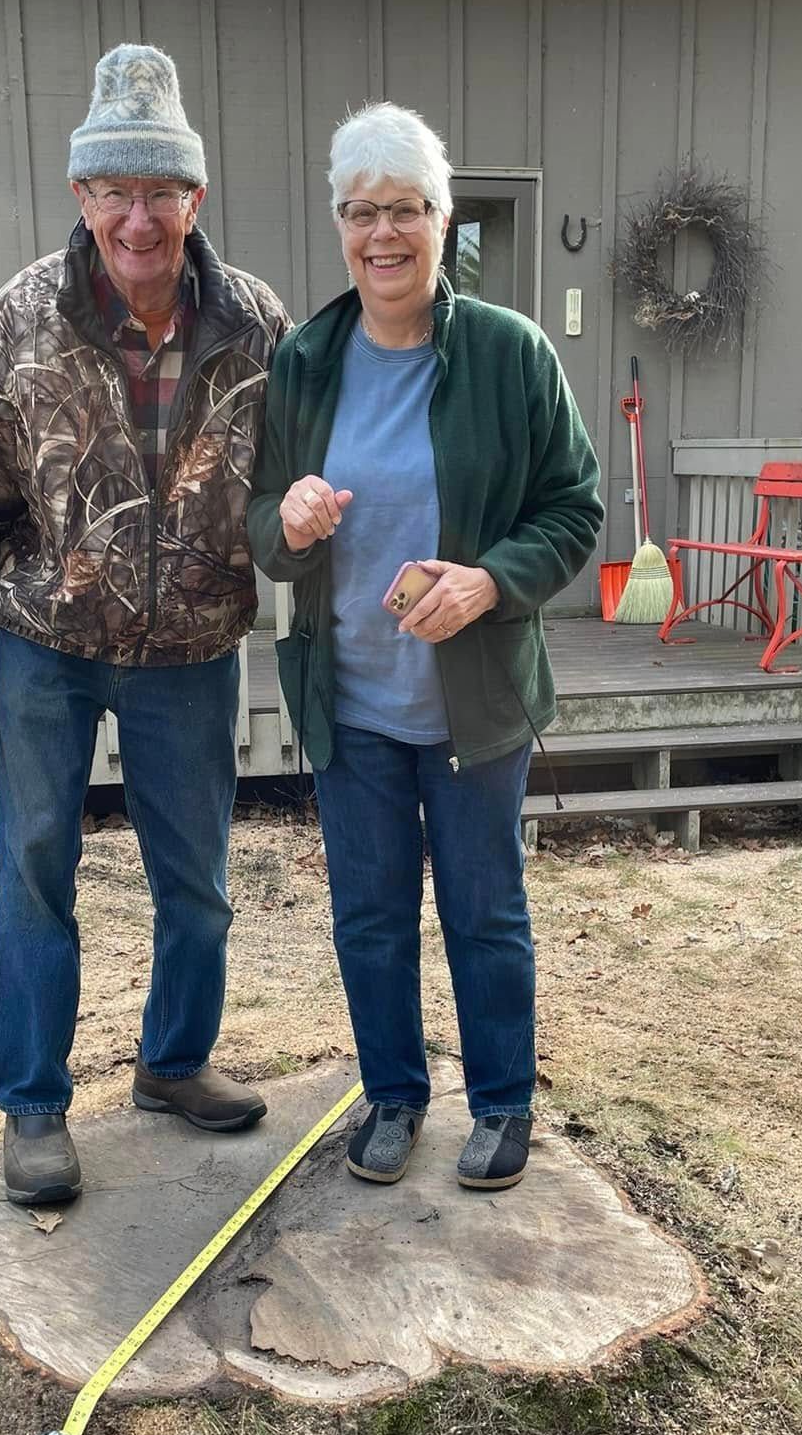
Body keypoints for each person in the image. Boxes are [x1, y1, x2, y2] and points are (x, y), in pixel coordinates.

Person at [0, 45, 289, 1209]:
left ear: (194, 199)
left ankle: (173, 1061)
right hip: (46, 643)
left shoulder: (255, 322)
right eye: (113, 189)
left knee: (199, 878)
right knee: (35, 869)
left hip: (191, 652)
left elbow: (296, 486)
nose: (138, 216)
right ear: (81, 196)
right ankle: (32, 1102)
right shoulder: (20, 317)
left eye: (159, 190)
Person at [248, 103, 602, 1193]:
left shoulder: (510, 354)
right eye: (362, 212)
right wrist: (290, 520)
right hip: (350, 701)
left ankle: (501, 1101)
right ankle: (394, 1093)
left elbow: (574, 507)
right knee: (369, 913)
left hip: (475, 703)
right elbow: (262, 524)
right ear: (341, 224)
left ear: (444, 223)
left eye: (405, 209)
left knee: (484, 909)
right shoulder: (305, 359)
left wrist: (492, 579)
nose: (382, 234)